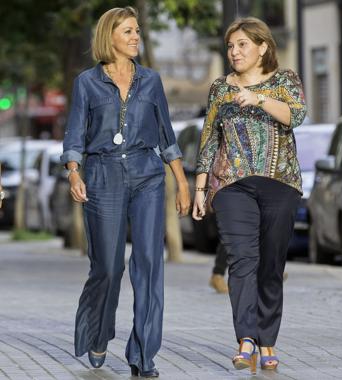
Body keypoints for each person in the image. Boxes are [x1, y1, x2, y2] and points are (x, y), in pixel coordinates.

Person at [61, 7, 190, 377]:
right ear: (110, 36)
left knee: (149, 264)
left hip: (147, 174)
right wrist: (74, 172)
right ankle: (99, 334)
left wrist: (180, 181)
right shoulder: (86, 82)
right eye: (129, 31)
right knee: (108, 267)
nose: (136, 37)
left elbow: (166, 134)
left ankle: (143, 355)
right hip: (102, 175)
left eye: (137, 31)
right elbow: (75, 134)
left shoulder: (151, 81)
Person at [192, 17, 306, 373]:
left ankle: (267, 340)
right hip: (232, 185)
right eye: (230, 45)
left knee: (271, 265)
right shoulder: (219, 89)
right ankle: (246, 340)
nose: (234, 51)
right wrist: (200, 188)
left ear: (263, 47)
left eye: (242, 44)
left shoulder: (285, 79)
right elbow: (210, 139)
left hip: (280, 183)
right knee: (242, 261)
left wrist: (258, 99)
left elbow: (296, 115)